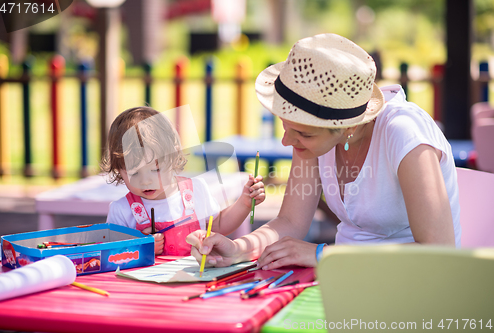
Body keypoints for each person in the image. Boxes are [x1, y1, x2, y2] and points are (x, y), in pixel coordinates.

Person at [187, 33, 461, 270]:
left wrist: (323, 254)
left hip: (413, 289)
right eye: (286, 126)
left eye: (303, 133)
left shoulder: (404, 133)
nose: (287, 141)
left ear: (348, 128)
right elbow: (291, 221)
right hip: (343, 278)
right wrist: (238, 249)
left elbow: (438, 252)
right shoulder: (315, 134)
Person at [102, 106, 266, 255]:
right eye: (134, 173)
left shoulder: (196, 191)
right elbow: (112, 255)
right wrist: (139, 247)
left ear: (173, 157)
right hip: (145, 286)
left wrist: (244, 203)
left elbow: (218, 225)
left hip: (196, 279)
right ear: (119, 169)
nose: (146, 181)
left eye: (156, 169)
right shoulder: (121, 210)